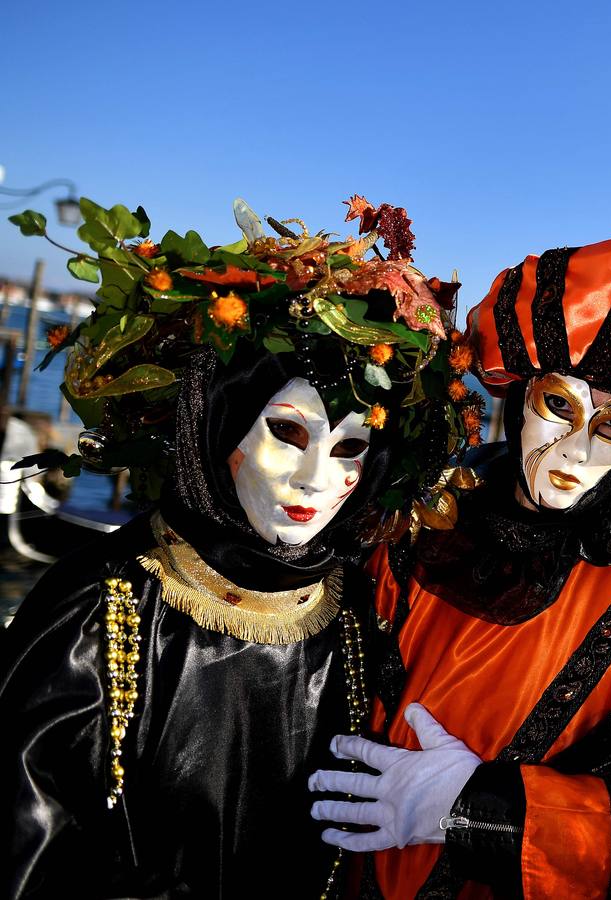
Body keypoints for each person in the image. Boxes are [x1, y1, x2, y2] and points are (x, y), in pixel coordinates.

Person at [0, 196, 481, 897]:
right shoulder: (95, 613)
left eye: (349, 448)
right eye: (287, 434)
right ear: (219, 425)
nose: (317, 479)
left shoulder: (361, 616)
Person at [309, 230, 611, 899]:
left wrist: (483, 812)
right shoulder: (416, 513)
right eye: (559, 407)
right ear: (520, 395)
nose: (575, 452)